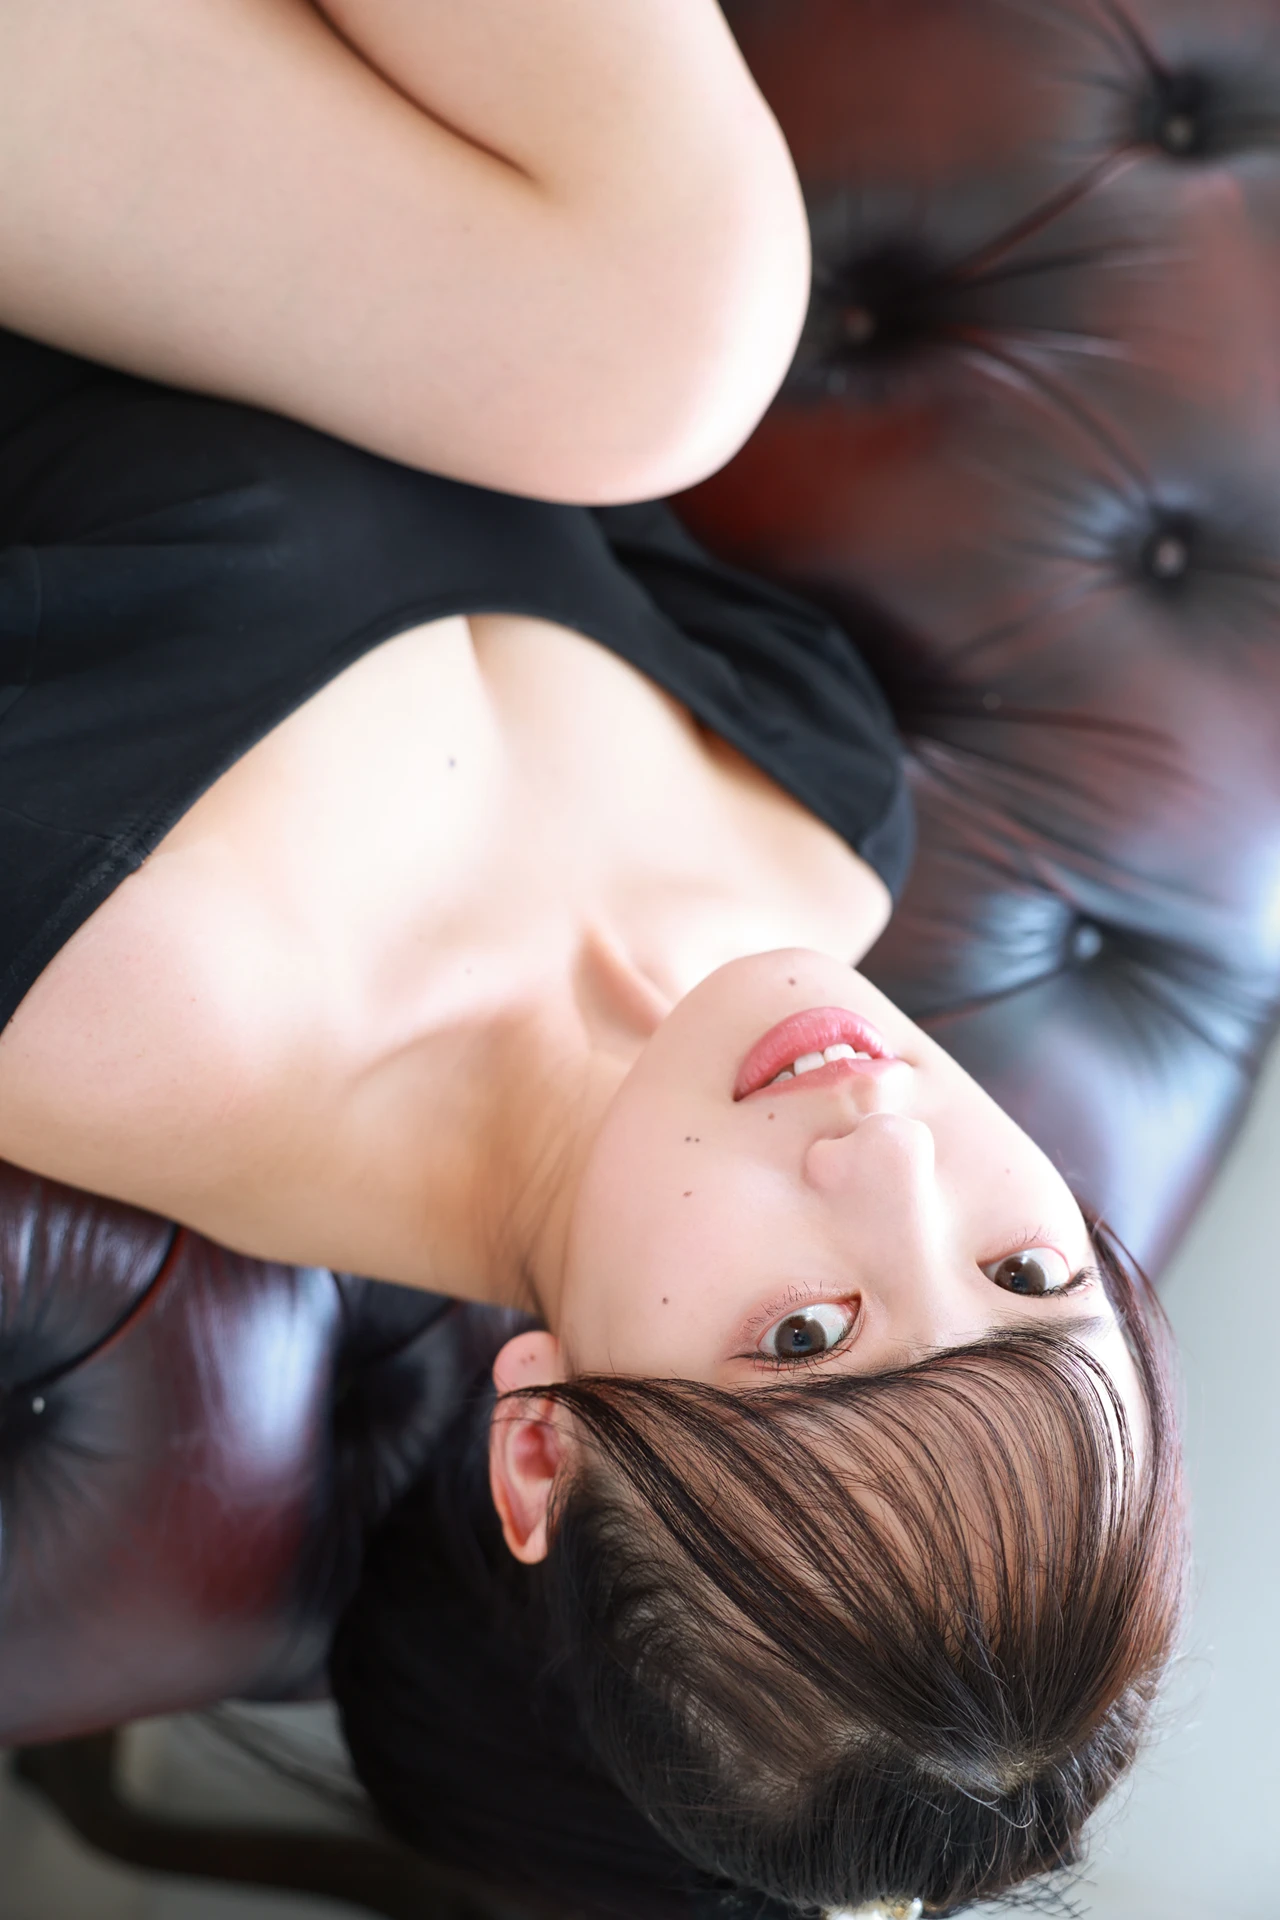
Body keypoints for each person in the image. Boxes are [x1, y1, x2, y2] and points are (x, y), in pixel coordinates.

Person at [0, 4, 1185, 1915]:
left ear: (542, 1450)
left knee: (664, 350)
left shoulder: (138, 998)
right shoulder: (822, 825)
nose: (894, 1156)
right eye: (1026, 1274)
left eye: (802, 1341)